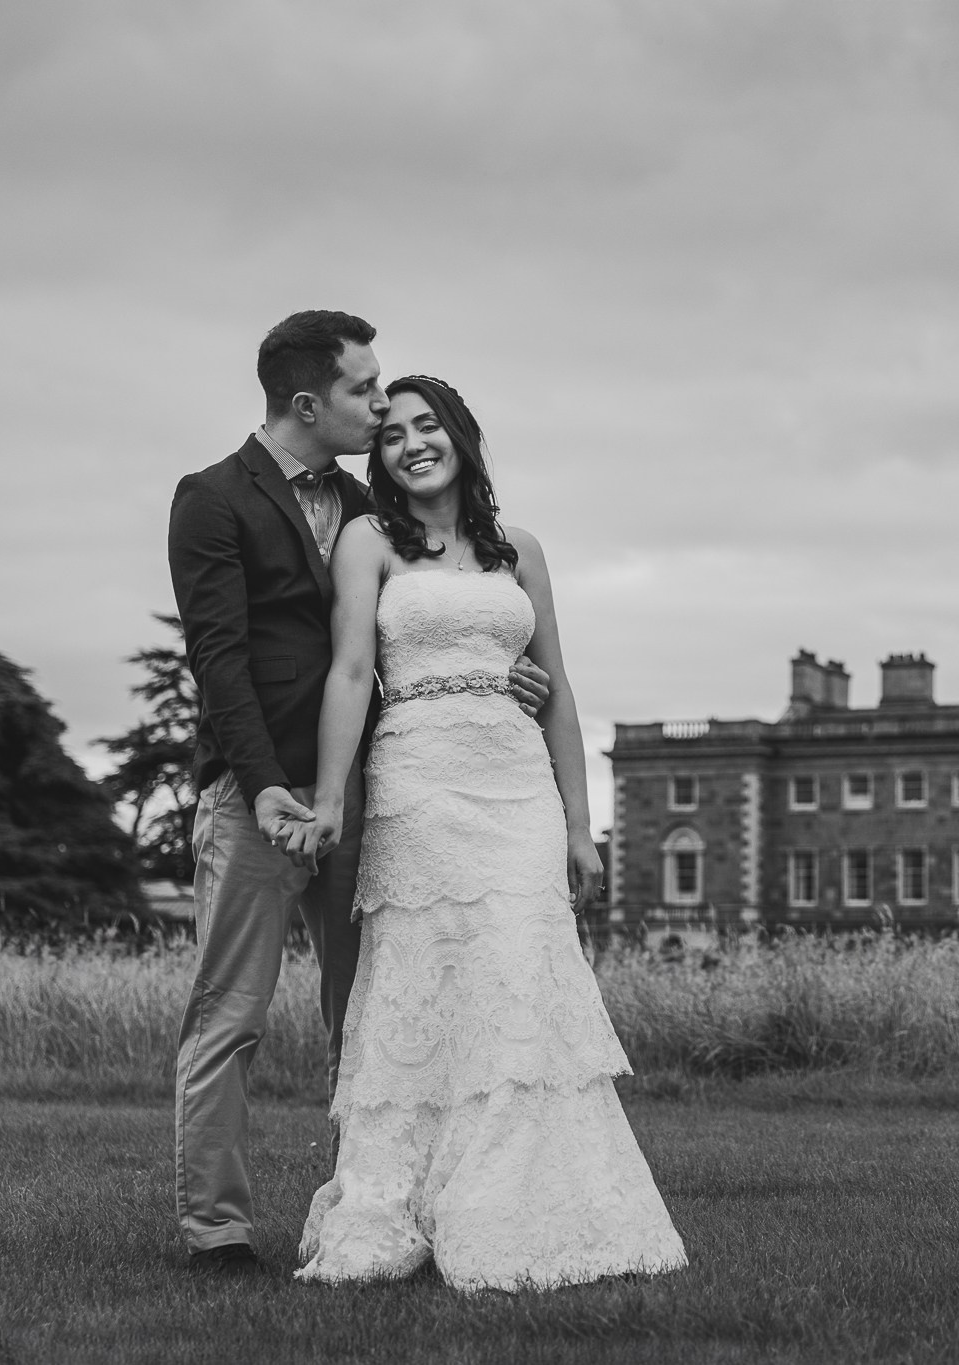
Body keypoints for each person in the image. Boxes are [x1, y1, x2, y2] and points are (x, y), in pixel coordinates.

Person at [166, 314, 552, 1274]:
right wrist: (262, 790)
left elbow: (425, 627)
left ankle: (364, 1210)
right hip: (254, 796)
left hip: (369, 790)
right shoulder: (211, 498)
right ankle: (216, 1227)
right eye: (364, 391)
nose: (382, 406)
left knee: (367, 1013)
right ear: (309, 403)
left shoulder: (364, 504)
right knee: (233, 1013)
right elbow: (219, 663)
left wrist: (508, 675)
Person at [286, 373, 686, 1291]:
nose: (410, 443)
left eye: (428, 426)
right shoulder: (368, 541)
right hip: (418, 782)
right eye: (390, 435)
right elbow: (350, 672)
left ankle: (516, 1197)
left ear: (463, 437)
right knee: (424, 982)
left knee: (519, 977)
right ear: (379, 459)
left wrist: (581, 824)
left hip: (515, 788)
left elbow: (559, 686)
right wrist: (330, 796)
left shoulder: (522, 550)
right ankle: (399, 1195)